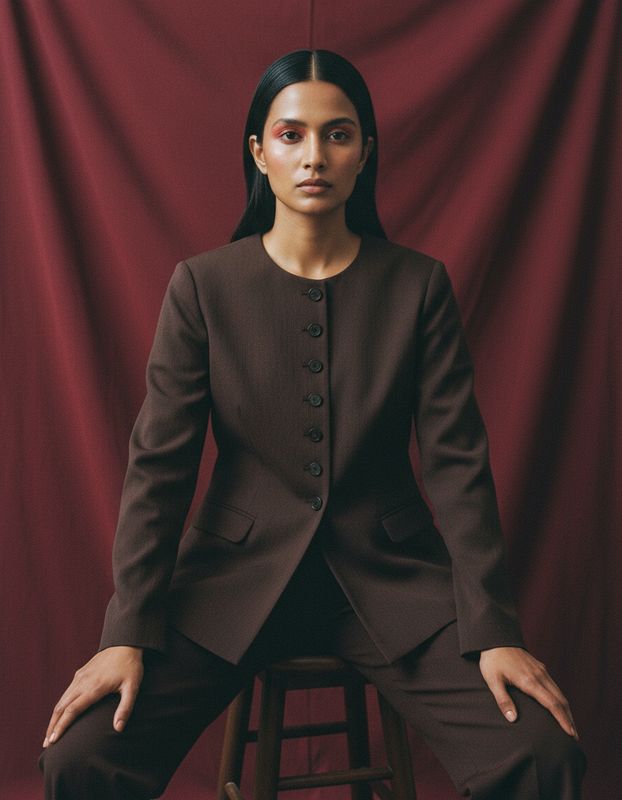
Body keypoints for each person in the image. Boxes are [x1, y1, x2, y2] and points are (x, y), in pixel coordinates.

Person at [39, 49, 586, 799]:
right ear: (259, 154)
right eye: (291, 135)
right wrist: (126, 631)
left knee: (542, 751)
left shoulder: (418, 287)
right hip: (231, 586)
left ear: (365, 153)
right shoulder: (202, 287)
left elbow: (458, 468)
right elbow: (158, 471)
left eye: (338, 135)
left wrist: (493, 629)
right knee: (82, 758)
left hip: (392, 586)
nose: (314, 156)